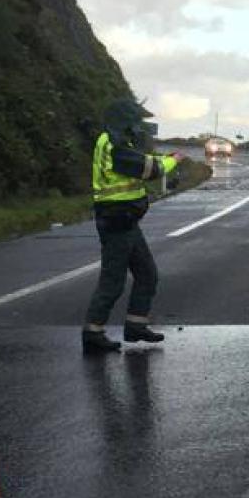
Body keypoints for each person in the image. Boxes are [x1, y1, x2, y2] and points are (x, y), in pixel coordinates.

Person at [82, 99, 185, 354]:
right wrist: (172, 161)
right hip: (117, 220)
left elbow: (142, 160)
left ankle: (135, 326)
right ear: (123, 120)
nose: (137, 126)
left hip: (126, 220)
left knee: (147, 273)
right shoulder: (114, 144)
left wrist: (164, 158)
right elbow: (149, 169)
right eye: (134, 121)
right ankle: (93, 333)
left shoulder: (117, 142)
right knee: (112, 281)